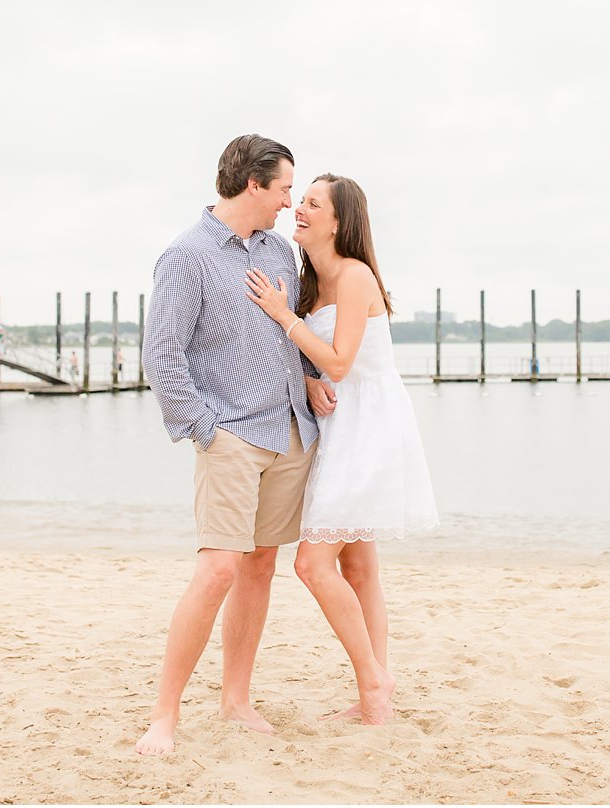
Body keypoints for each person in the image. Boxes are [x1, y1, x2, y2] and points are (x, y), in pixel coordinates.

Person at [136, 135, 333, 756]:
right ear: (253, 185)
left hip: (289, 433)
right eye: (282, 190)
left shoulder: (280, 253)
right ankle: (163, 716)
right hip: (231, 437)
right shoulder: (186, 256)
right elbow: (162, 356)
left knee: (258, 568)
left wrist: (308, 377)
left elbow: (283, 334)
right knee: (218, 567)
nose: (288, 202)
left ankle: (235, 699)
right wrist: (204, 430)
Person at [245, 173, 438, 726]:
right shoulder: (311, 280)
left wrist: (282, 316)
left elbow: (339, 362)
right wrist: (305, 382)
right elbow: (317, 368)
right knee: (358, 566)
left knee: (311, 563)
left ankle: (375, 682)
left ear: (339, 220)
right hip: (338, 426)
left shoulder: (353, 277)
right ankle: (376, 693)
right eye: (299, 200)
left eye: (312, 203)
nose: (299, 209)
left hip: (370, 430)